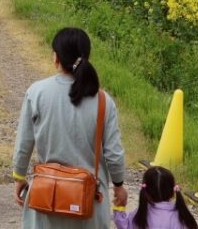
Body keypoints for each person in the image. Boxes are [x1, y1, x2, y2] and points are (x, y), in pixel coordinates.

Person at [13, 28, 128, 229]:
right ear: (87, 57)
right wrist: (119, 185)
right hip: (89, 202)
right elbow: (114, 154)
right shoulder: (103, 101)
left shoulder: (37, 92)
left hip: (46, 197)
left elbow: (24, 143)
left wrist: (19, 176)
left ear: (56, 57)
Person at [115, 166, 198, 229]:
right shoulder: (183, 217)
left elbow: (124, 226)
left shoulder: (141, 214)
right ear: (173, 193)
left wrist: (119, 207)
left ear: (146, 193)